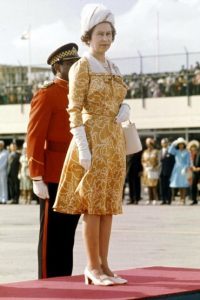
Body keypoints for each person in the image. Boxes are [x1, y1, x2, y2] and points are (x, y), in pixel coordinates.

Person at [53, 3, 130, 286]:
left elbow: (117, 100)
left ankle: (105, 265)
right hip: (92, 139)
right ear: (88, 35)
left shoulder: (113, 66)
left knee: (108, 205)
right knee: (93, 206)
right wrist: (83, 148)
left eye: (110, 33)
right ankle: (92, 266)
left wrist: (125, 109)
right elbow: (74, 109)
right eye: (101, 33)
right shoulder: (82, 66)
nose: (106, 39)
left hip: (113, 140)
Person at [26, 43, 80, 279]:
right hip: (54, 173)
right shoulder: (47, 93)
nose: (76, 67)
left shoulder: (80, 93)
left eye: (77, 63)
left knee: (68, 234)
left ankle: (65, 280)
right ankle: (47, 283)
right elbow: (35, 135)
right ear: (58, 66)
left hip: (77, 171)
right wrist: (36, 175)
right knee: (51, 236)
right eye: (71, 63)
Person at [168, 137, 191, 205]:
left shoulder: (187, 152)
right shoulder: (176, 151)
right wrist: (173, 143)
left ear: (184, 145)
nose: (181, 145)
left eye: (182, 144)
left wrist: (185, 168)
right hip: (177, 168)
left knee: (183, 185)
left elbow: (188, 162)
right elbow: (170, 151)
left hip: (183, 168)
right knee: (179, 184)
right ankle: (181, 199)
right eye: (179, 144)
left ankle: (183, 199)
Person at [141, 137, 159, 205]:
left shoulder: (155, 152)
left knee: (154, 185)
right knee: (148, 185)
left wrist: (154, 167)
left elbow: (158, 161)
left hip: (153, 170)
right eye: (148, 144)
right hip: (146, 170)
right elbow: (142, 160)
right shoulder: (145, 152)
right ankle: (149, 199)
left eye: (150, 144)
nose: (149, 146)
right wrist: (144, 166)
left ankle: (154, 199)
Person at [159, 138, 175, 205]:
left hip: (168, 172)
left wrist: (172, 172)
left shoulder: (170, 151)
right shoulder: (159, 151)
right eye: (163, 143)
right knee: (162, 186)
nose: (164, 144)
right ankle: (163, 200)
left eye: (165, 142)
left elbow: (173, 162)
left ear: (167, 143)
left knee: (168, 186)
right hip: (161, 172)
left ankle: (169, 200)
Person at [187, 140, 200, 205]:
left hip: (199, 171)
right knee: (193, 186)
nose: (193, 148)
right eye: (192, 147)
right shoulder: (193, 155)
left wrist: (198, 168)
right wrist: (193, 168)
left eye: (194, 147)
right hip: (195, 172)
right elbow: (192, 164)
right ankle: (194, 200)